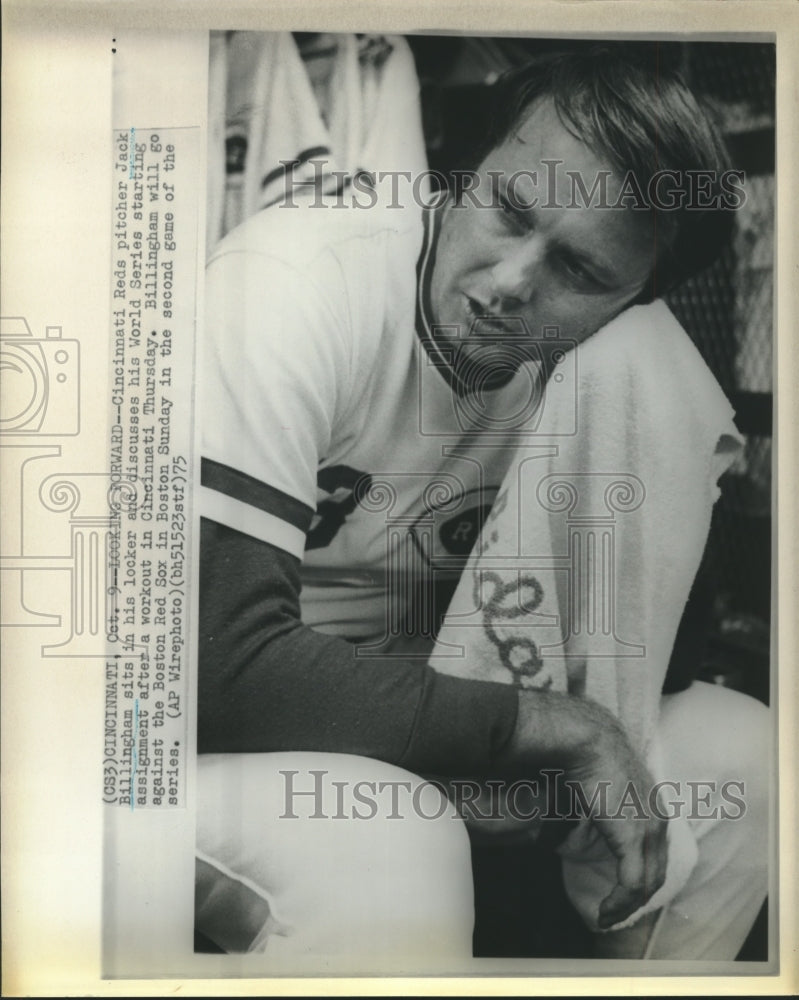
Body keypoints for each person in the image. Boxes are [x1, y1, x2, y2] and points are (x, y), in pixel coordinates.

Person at [195, 43, 769, 968]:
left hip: (406, 684)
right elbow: (210, 670)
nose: (508, 282)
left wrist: (654, 395)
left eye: (579, 273)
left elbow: (659, 658)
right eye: (507, 210)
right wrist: (549, 731)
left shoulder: (619, 360)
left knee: (746, 758)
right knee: (390, 847)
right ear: (466, 175)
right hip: (182, 723)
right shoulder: (299, 279)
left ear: (634, 302)